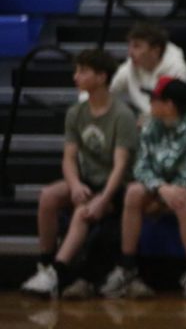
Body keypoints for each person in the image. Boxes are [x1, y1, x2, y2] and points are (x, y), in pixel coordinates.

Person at [21, 50, 136, 299]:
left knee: (84, 212)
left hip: (115, 187)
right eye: (76, 70)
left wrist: (104, 199)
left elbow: (121, 166)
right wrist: (73, 185)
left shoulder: (122, 115)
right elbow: (69, 157)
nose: (76, 77)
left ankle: (58, 271)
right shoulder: (76, 113)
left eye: (82, 71)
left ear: (102, 77)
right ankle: (45, 264)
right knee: (48, 196)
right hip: (87, 180)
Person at [99, 77, 186, 301]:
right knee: (134, 192)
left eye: (155, 99)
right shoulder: (150, 127)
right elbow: (141, 167)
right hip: (162, 190)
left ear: (170, 105)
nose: (150, 103)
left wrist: (161, 194)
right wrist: (160, 189)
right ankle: (127, 267)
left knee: (181, 198)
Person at [108, 22, 186, 119]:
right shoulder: (130, 67)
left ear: (155, 50)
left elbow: (176, 113)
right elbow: (106, 91)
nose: (130, 53)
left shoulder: (178, 70)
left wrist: (147, 121)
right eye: (129, 46)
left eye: (137, 46)